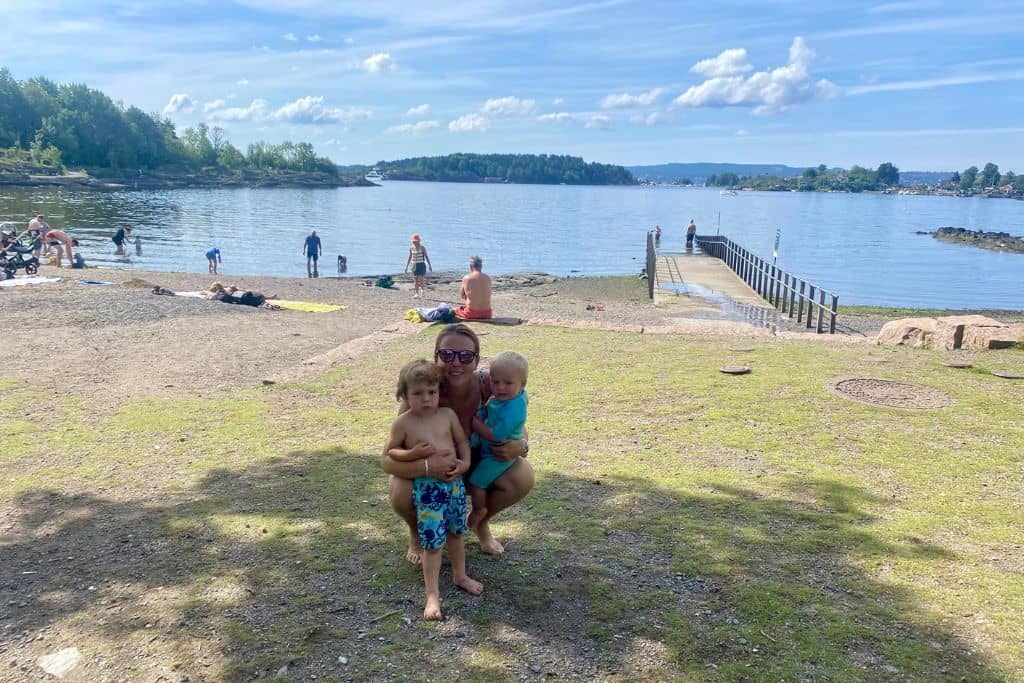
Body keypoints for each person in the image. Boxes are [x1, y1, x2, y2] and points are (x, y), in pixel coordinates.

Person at [383, 324, 533, 562]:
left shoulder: (488, 384)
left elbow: (515, 424)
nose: (456, 363)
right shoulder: (424, 391)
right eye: (447, 354)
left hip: (475, 463)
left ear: (476, 360)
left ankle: (480, 524)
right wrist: (427, 468)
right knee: (400, 489)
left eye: (465, 356)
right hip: (431, 471)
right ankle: (416, 531)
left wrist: (523, 444)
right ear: (436, 358)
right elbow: (388, 460)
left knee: (522, 474)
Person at [384, 359, 482, 620]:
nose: (426, 399)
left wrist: (465, 464)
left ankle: (460, 576)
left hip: (454, 488)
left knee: (456, 534)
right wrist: (414, 454)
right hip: (428, 492)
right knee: (433, 544)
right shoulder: (404, 423)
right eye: (417, 393)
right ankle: (432, 595)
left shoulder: (447, 415)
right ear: (404, 395)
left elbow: (462, 441)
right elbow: (390, 453)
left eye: (432, 392)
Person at [467, 351, 528, 531]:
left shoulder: (515, 407)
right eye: (495, 381)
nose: (500, 387)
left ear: (522, 384)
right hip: (484, 450)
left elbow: (497, 435)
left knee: (477, 482)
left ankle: (479, 510)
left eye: (507, 383)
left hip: (496, 454)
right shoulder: (511, 396)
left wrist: (474, 424)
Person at [455, 255, 492, 320]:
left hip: (471, 313)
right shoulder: (488, 278)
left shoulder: (466, 278)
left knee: (456, 310)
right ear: (481, 267)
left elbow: (462, 296)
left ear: (471, 266)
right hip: (487, 313)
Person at [404, 233, 432, 299]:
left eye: (416, 241)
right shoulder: (411, 248)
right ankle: (417, 294)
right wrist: (406, 267)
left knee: (421, 279)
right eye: (413, 241)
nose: (414, 242)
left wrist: (430, 266)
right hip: (413, 265)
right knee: (415, 280)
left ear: (419, 241)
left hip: (421, 264)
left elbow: (426, 256)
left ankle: (422, 292)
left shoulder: (422, 248)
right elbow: (410, 257)